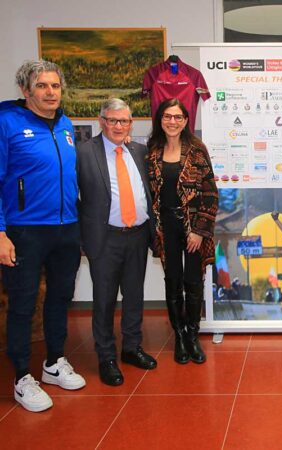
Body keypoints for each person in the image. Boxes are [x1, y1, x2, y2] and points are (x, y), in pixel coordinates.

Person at [0, 60, 85, 412]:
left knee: (60, 298)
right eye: (42, 86)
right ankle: (22, 377)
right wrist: (0, 232)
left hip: (66, 228)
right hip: (25, 230)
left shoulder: (64, 124)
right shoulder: (7, 122)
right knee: (23, 304)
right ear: (26, 91)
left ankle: (54, 362)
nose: (50, 92)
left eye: (55, 86)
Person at [78, 98, 156, 386]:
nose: (119, 126)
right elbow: (72, 195)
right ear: (102, 122)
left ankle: (132, 347)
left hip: (138, 235)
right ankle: (106, 357)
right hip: (105, 238)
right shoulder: (84, 152)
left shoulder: (139, 151)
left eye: (124, 121)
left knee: (134, 295)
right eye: (113, 120)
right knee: (105, 300)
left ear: (131, 123)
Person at [147, 98, 218, 365]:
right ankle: (178, 336)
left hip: (193, 227)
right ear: (160, 119)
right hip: (166, 227)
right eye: (167, 116)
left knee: (193, 280)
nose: (172, 121)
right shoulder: (152, 150)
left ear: (186, 120)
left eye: (178, 117)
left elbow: (210, 193)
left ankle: (192, 336)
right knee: (173, 281)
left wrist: (199, 230)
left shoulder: (198, 150)